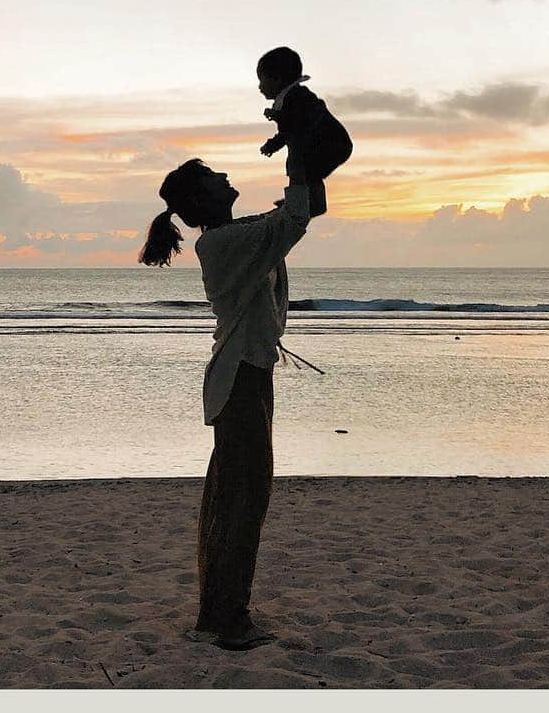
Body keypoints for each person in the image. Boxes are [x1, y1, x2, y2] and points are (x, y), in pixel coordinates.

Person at [139, 138, 311, 651]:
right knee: (243, 501)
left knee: (236, 499)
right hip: (240, 380)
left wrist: (301, 152)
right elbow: (292, 222)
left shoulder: (235, 233)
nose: (222, 177)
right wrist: (297, 143)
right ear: (203, 199)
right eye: (211, 175)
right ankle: (230, 619)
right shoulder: (220, 243)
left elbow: (295, 214)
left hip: (246, 376)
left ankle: (222, 610)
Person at [257, 46, 353, 218]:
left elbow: (299, 121)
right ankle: (305, 200)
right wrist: (274, 143)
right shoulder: (288, 99)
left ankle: (310, 202)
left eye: (262, 80)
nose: (260, 87)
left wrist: (279, 118)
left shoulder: (298, 96)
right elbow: (289, 130)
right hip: (325, 143)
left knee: (303, 166)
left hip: (331, 143)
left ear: (277, 79)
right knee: (302, 166)